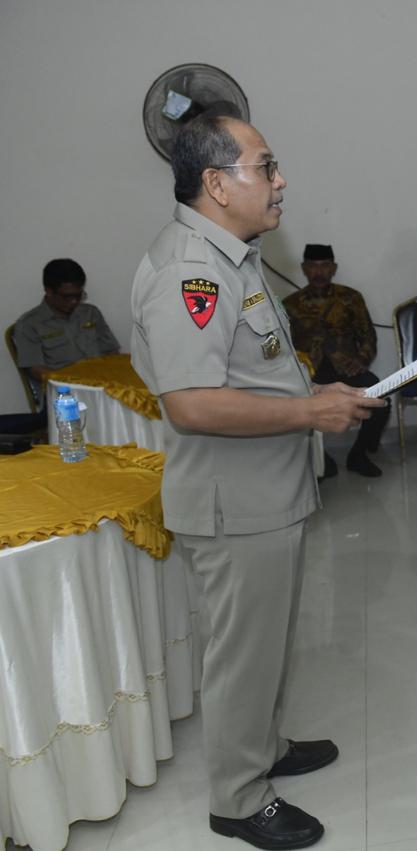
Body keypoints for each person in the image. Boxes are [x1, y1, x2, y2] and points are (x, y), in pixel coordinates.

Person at [130, 114, 384, 849]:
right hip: (235, 501)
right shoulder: (191, 271)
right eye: (265, 167)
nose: (280, 181)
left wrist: (312, 395)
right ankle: (238, 797)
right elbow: (192, 403)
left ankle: (262, 747)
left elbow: (249, 369)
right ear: (217, 183)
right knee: (243, 653)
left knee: (266, 642)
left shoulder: (231, 254)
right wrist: (309, 411)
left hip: (264, 492)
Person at [283, 244, 390, 478]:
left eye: (324, 266)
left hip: (347, 368)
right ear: (304, 268)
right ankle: (322, 461)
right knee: (291, 403)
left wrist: (361, 360)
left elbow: (368, 336)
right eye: (313, 266)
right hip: (311, 373)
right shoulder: (290, 304)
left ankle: (359, 455)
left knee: (381, 397)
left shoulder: (350, 298)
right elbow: (285, 346)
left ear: (333, 268)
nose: (319, 272)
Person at [13, 259, 120, 392]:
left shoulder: (91, 313)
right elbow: (36, 370)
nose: (74, 301)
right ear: (49, 291)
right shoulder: (29, 324)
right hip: (63, 391)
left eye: (78, 295)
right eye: (67, 297)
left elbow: (112, 352)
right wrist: (74, 383)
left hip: (102, 386)